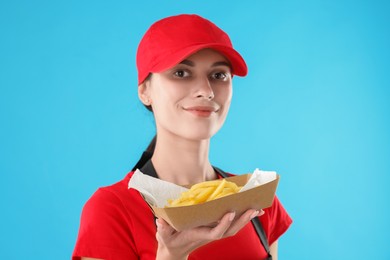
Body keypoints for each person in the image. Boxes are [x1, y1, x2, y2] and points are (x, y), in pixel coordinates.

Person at [72, 14, 292, 260]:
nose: (206, 91)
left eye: (219, 75)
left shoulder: (257, 201)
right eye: (181, 73)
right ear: (145, 91)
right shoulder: (113, 210)